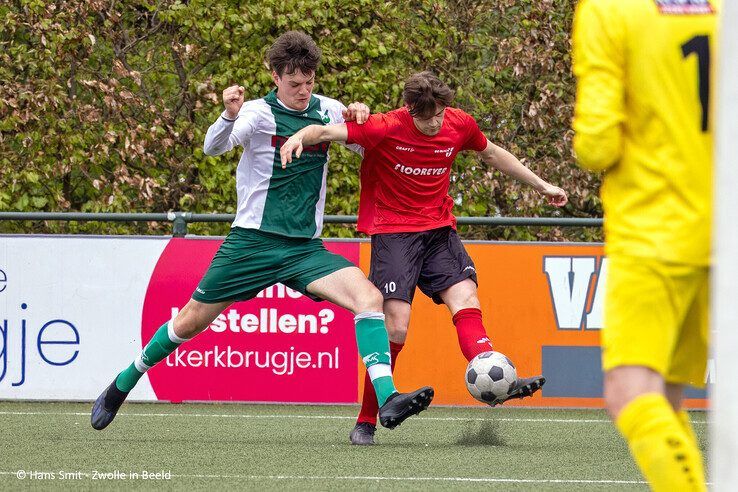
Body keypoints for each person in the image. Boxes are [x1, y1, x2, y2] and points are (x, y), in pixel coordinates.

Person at [91, 31, 434, 432]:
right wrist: (228, 115)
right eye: (294, 84)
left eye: (309, 82)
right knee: (189, 322)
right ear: (274, 76)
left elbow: (368, 148)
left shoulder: (328, 110)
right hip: (251, 244)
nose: (304, 91)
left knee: (369, 298)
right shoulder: (256, 112)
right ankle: (122, 383)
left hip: (305, 249)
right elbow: (213, 148)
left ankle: (387, 398)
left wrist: (362, 117)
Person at [280, 71, 568, 445]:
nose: (435, 123)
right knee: (396, 327)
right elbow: (326, 132)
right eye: (426, 117)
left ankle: (493, 373)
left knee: (466, 298)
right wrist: (300, 136)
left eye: (439, 114)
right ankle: (368, 419)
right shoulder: (385, 127)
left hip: (438, 231)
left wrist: (542, 185)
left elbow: (493, 153)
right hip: (393, 232)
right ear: (410, 109)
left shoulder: (459, 123)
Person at [572, 0, 719, 489]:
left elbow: (597, 145)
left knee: (629, 392)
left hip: (654, 228)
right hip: (721, 226)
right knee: (668, 397)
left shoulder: (611, 11)